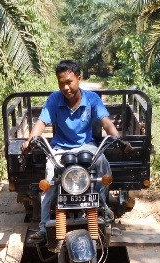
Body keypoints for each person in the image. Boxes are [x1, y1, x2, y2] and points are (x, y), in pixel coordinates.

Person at [21, 59, 132, 242]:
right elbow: (41, 122)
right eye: (61, 82)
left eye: (69, 81)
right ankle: (43, 226)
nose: (65, 87)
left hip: (86, 146)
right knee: (49, 178)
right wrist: (30, 140)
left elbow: (106, 122)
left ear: (79, 79)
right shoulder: (54, 99)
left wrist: (118, 139)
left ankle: (101, 211)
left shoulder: (92, 99)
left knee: (102, 165)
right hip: (60, 148)